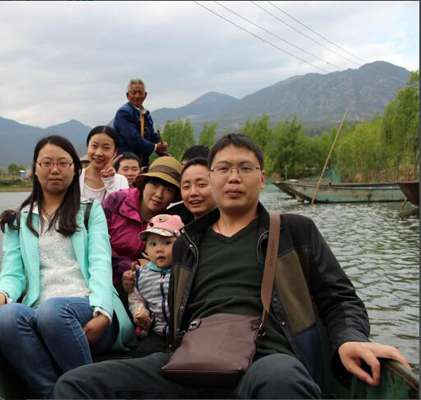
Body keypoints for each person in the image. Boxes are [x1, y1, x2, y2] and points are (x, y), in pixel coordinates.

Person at [54, 133, 411, 399]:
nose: (234, 177)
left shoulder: (294, 231)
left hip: (266, 360)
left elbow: (339, 298)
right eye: (223, 169)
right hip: (193, 363)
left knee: (282, 380)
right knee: (77, 385)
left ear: (262, 178)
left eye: (245, 168)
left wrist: (349, 339)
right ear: (212, 178)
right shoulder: (187, 244)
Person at [0, 135, 134, 398]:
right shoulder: (19, 220)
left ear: (74, 169)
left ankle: (85, 391)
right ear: (36, 169)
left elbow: (100, 263)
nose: (54, 169)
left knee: (54, 311)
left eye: (62, 163)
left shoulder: (89, 211)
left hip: (90, 313)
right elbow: (13, 273)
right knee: (6, 316)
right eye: (47, 163)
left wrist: (104, 312)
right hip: (43, 315)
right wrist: (0, 295)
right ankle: (49, 393)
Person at [101, 156, 182, 293]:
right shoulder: (117, 201)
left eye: (168, 190)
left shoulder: (169, 223)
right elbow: (95, 241)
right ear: (144, 184)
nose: (159, 194)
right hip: (99, 277)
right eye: (155, 185)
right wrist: (131, 265)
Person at [129, 214, 184, 358]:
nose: (159, 249)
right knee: (143, 352)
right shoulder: (141, 274)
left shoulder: (184, 270)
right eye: (153, 244)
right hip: (157, 331)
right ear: (146, 249)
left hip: (184, 331)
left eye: (167, 243)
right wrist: (140, 313)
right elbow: (136, 298)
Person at [113, 78, 168, 167]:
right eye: (134, 93)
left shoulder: (145, 113)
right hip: (125, 164)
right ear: (127, 95)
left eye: (140, 92)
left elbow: (153, 136)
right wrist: (155, 147)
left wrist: (165, 154)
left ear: (145, 95)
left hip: (142, 164)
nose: (137, 96)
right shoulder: (123, 113)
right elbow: (133, 139)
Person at [80, 125, 128, 202]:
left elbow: (122, 207)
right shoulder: (75, 177)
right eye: (94, 146)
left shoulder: (121, 181)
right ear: (87, 147)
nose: (98, 153)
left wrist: (110, 182)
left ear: (115, 152)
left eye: (106, 148)